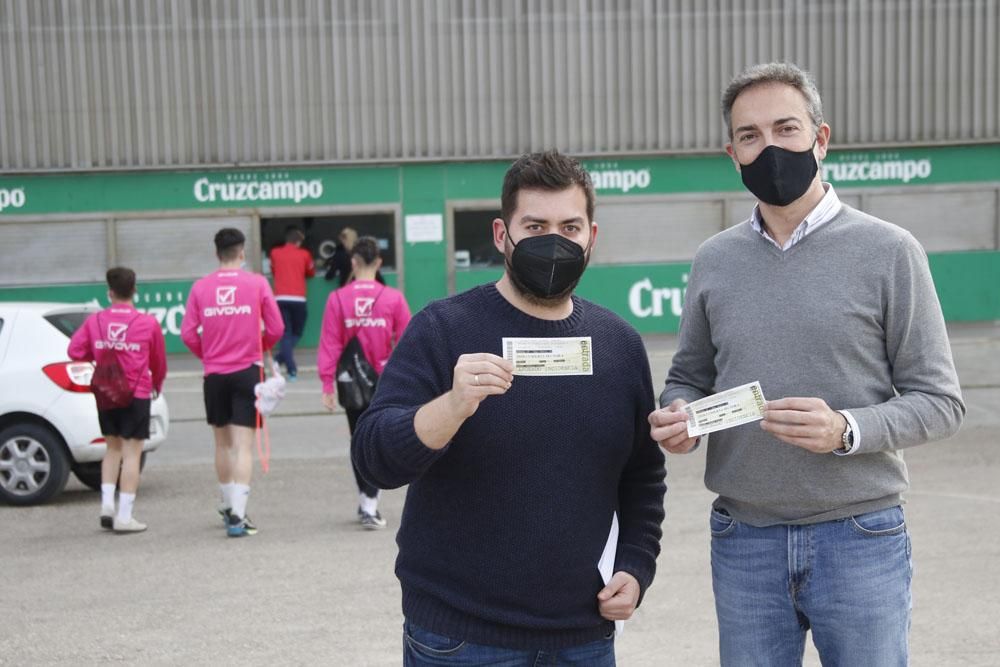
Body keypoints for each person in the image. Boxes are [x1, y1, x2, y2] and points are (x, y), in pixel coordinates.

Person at [649, 62, 965, 665]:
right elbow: (690, 374)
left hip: (860, 537)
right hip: (744, 539)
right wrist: (679, 413)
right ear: (732, 153)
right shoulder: (714, 260)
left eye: (785, 128)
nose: (769, 147)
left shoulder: (890, 251)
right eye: (750, 136)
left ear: (820, 138)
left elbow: (941, 402)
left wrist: (847, 430)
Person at [352, 150, 666, 664]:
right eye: (535, 225)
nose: (553, 242)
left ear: (592, 236)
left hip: (583, 636)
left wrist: (634, 564)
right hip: (460, 637)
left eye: (569, 227)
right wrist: (452, 406)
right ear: (502, 235)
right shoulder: (443, 329)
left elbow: (641, 475)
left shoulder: (619, 345)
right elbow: (374, 459)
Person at [180, 228, 284, 538]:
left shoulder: (200, 287)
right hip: (247, 372)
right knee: (243, 446)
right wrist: (257, 344)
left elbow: (187, 334)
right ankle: (238, 516)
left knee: (222, 444)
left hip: (214, 374)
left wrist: (209, 354)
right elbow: (276, 327)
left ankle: (228, 506)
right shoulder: (256, 283)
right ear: (241, 253)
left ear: (216, 254)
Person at [317, 236, 412, 530]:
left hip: (349, 380)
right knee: (379, 439)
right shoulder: (393, 298)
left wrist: (327, 385)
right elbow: (408, 342)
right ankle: (369, 502)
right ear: (379, 263)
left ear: (354, 262)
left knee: (358, 440)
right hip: (384, 380)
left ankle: (366, 500)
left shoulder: (337, 299)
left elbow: (330, 344)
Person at [68, 267, 167, 533]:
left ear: (109, 292)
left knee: (111, 450)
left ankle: (106, 507)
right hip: (137, 392)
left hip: (106, 391)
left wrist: (99, 352)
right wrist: (156, 385)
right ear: (134, 291)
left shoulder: (95, 321)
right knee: (132, 453)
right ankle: (124, 516)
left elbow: (74, 350)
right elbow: (158, 362)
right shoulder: (147, 323)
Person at [270, 225, 316, 381]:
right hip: (298, 299)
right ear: (298, 242)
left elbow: (274, 270)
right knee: (296, 333)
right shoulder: (304, 254)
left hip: (280, 298)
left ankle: (278, 360)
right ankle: (291, 370)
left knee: (286, 334)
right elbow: (311, 272)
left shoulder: (275, 253)